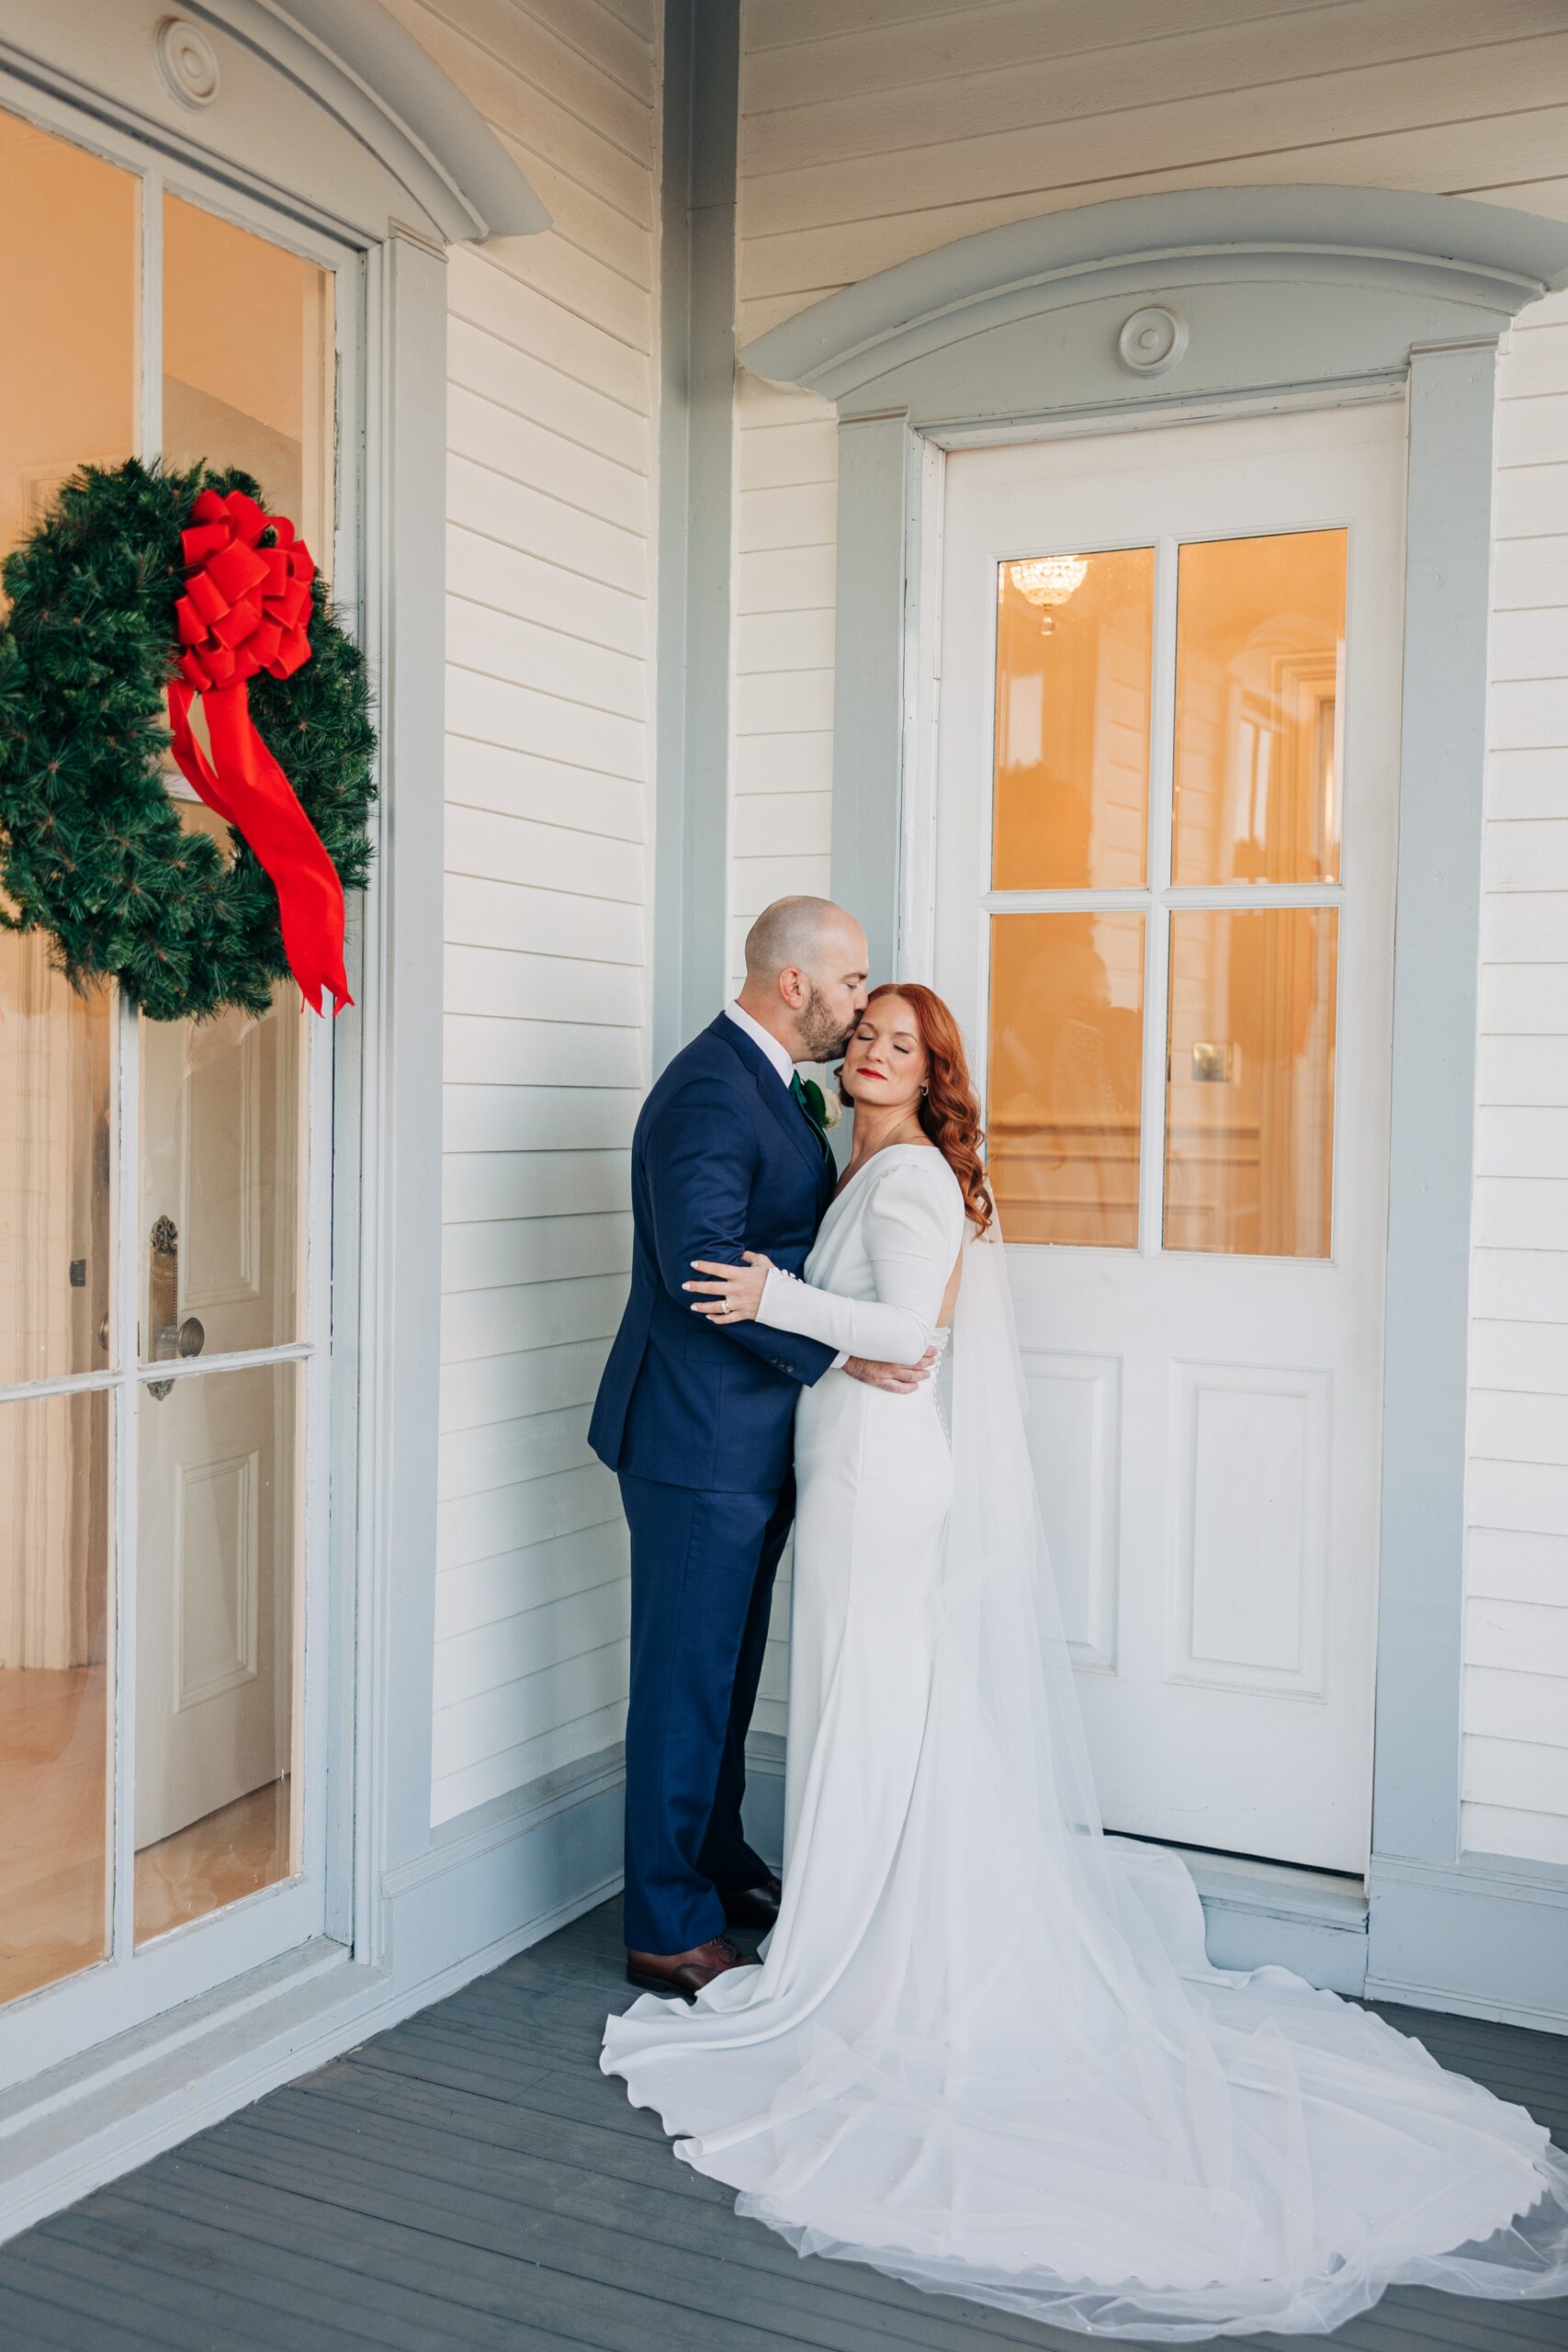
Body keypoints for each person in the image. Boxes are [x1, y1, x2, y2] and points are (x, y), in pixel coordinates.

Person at [601, 982, 1568, 2341]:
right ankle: (853, 1903)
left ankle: (861, 1942)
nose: (869, 1053)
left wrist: (778, 1297)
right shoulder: (858, 1159)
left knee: (876, 1700)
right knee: (863, 1705)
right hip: (839, 1459)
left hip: (879, 1476)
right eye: (862, 1033)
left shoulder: (919, 1181)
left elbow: (905, 1337)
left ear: (931, 1071)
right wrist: (802, 1303)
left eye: (898, 1042)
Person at [588, 899, 930, 2004]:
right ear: (796, 984)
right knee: (685, 1682)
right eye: (851, 984)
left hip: (749, 1437)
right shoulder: (708, 1090)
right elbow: (701, 1273)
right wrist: (837, 1355)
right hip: (696, 1439)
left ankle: (717, 1859)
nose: (862, 1002)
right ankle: (666, 1921)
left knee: (726, 1676)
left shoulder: (769, 1083)